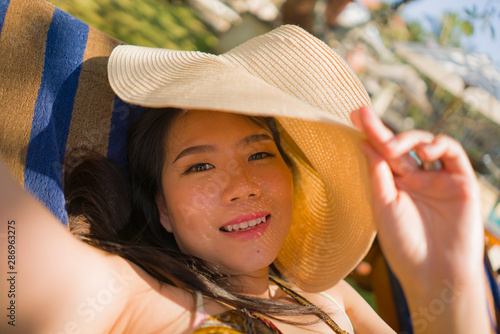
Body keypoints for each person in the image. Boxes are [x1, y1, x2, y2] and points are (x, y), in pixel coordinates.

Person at [0, 25, 491, 333]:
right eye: (199, 165)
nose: (242, 185)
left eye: (260, 153)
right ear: (163, 209)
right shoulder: (131, 300)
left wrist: (449, 280)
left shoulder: (325, 297)